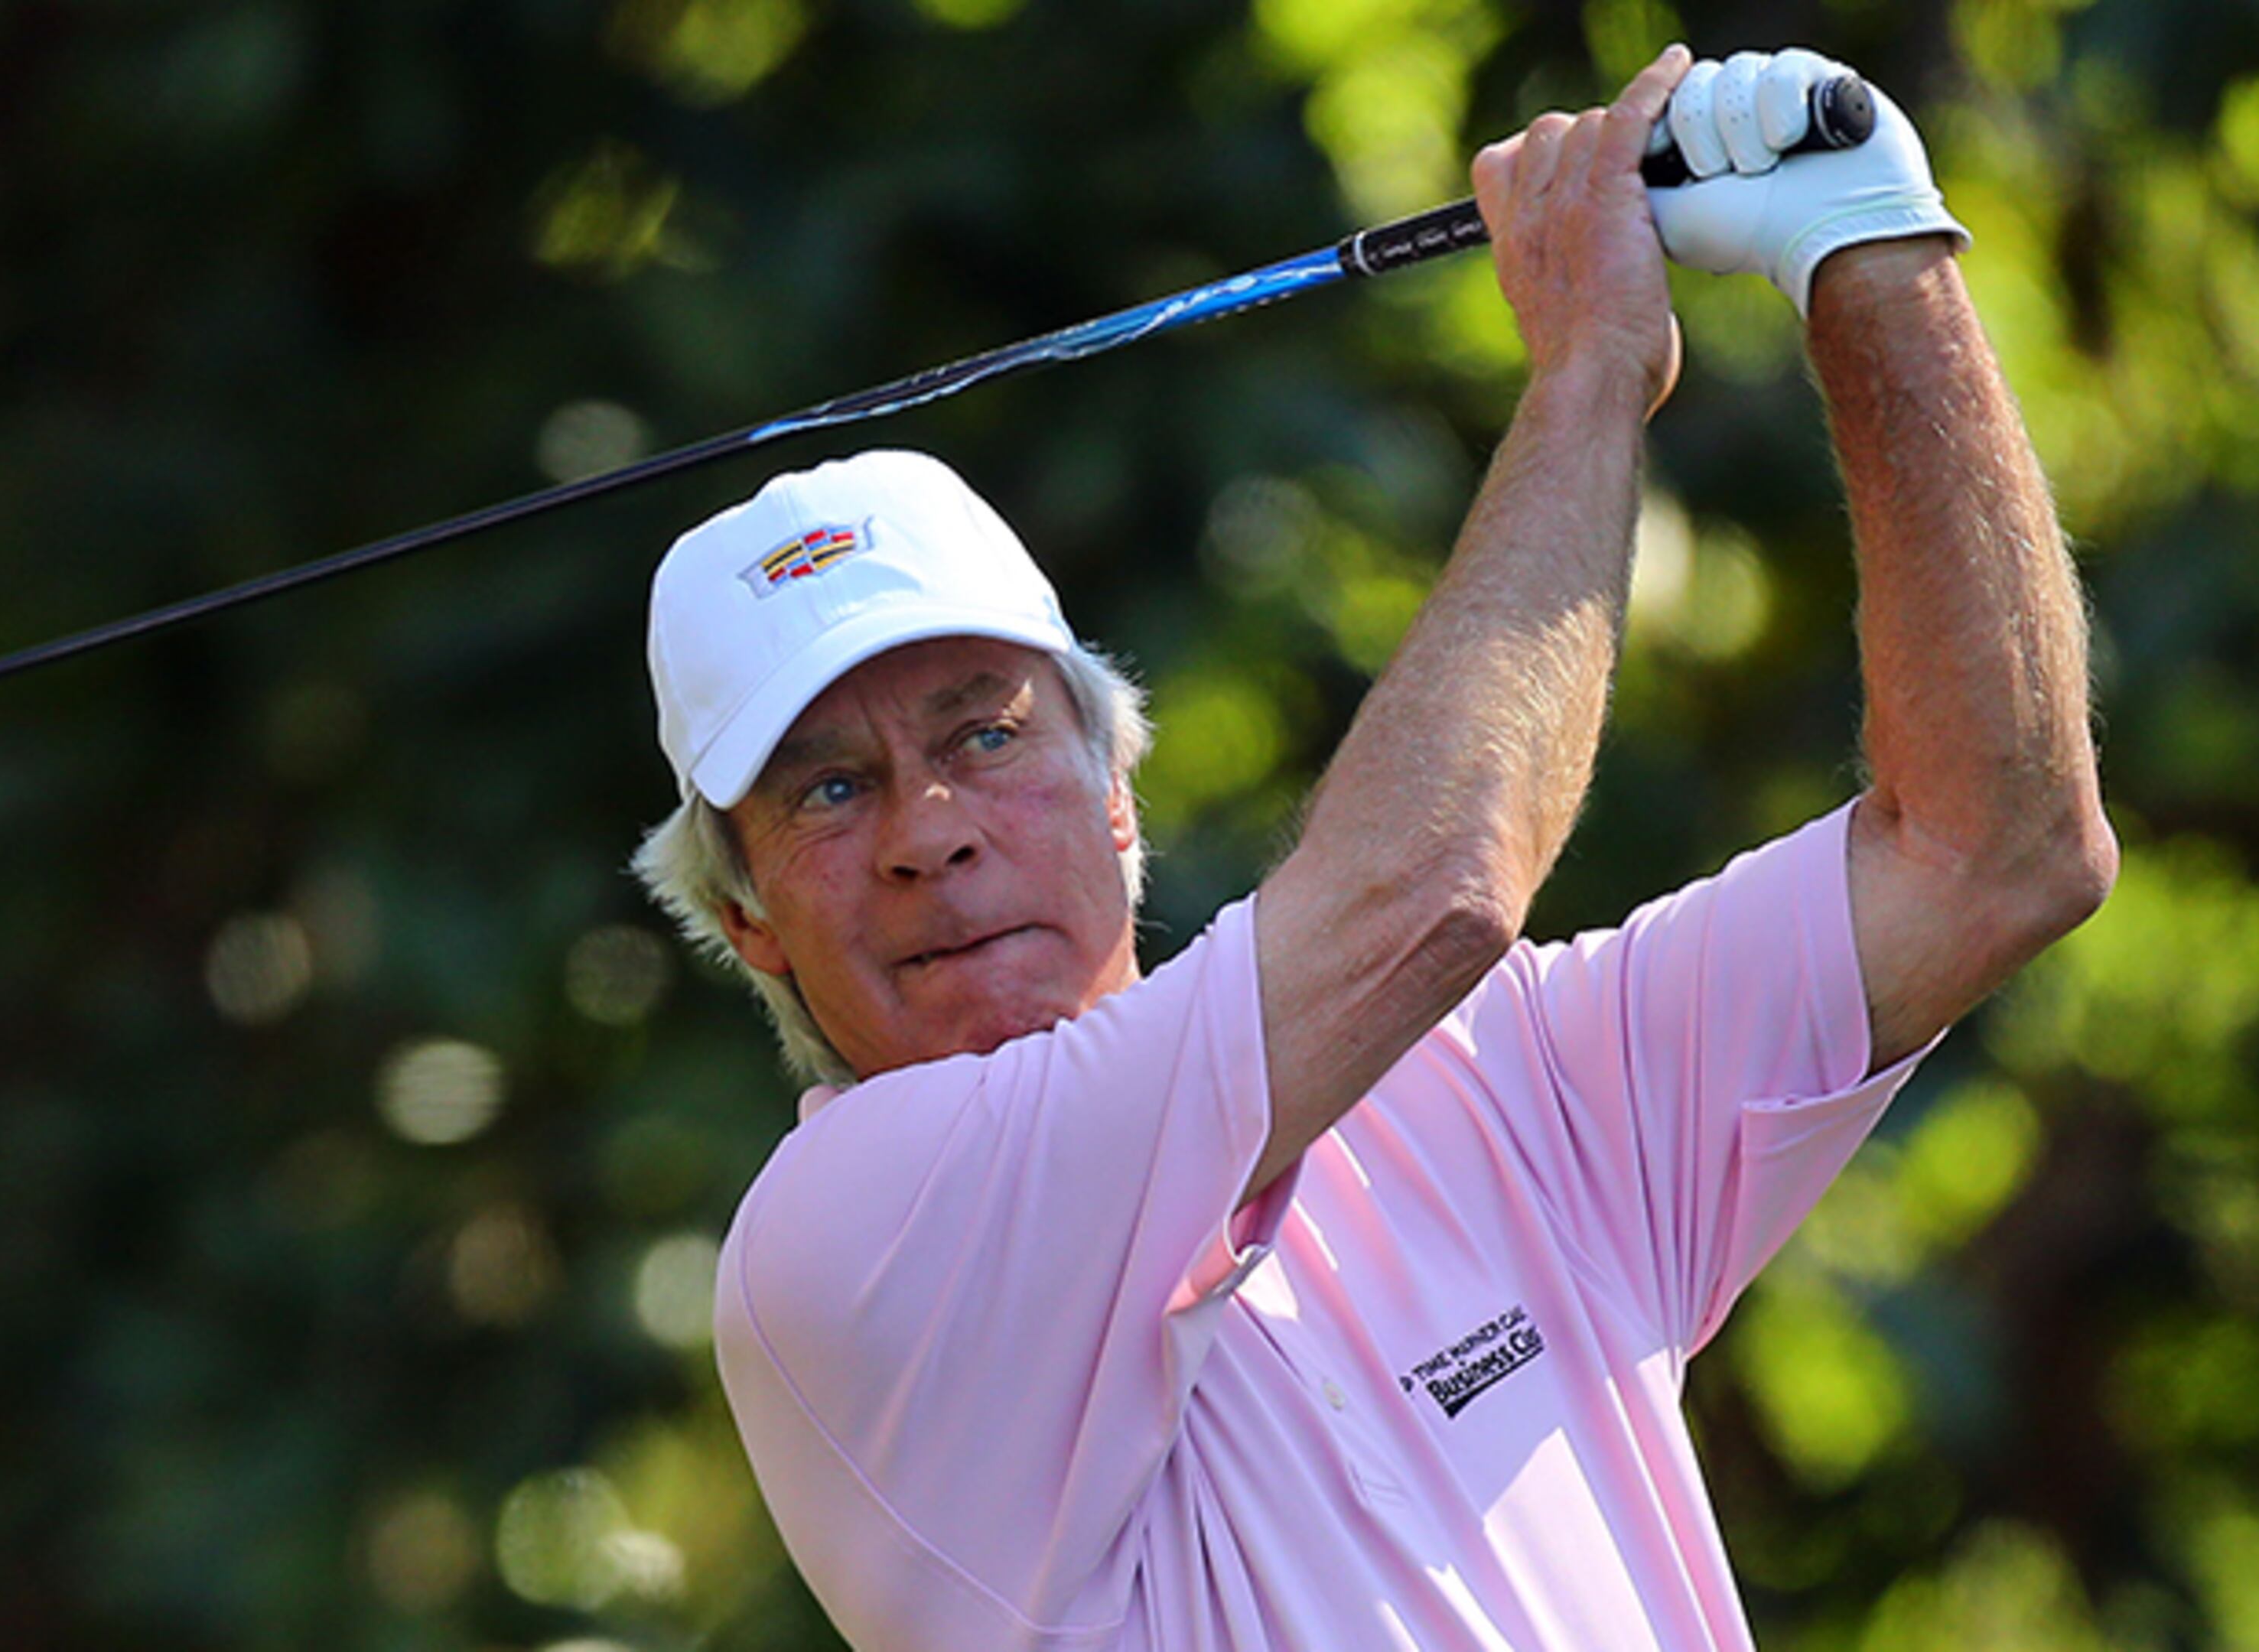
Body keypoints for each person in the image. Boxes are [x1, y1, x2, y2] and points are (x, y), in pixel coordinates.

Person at [631, 44, 2114, 1652]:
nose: (929, 832)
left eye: (985, 736)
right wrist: (1588, 372)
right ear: (747, 916)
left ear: (1119, 793)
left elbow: (1998, 853)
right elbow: (1440, 891)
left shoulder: (1482, 1074)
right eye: (828, 792)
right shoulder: (851, 1229)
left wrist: (1873, 251)